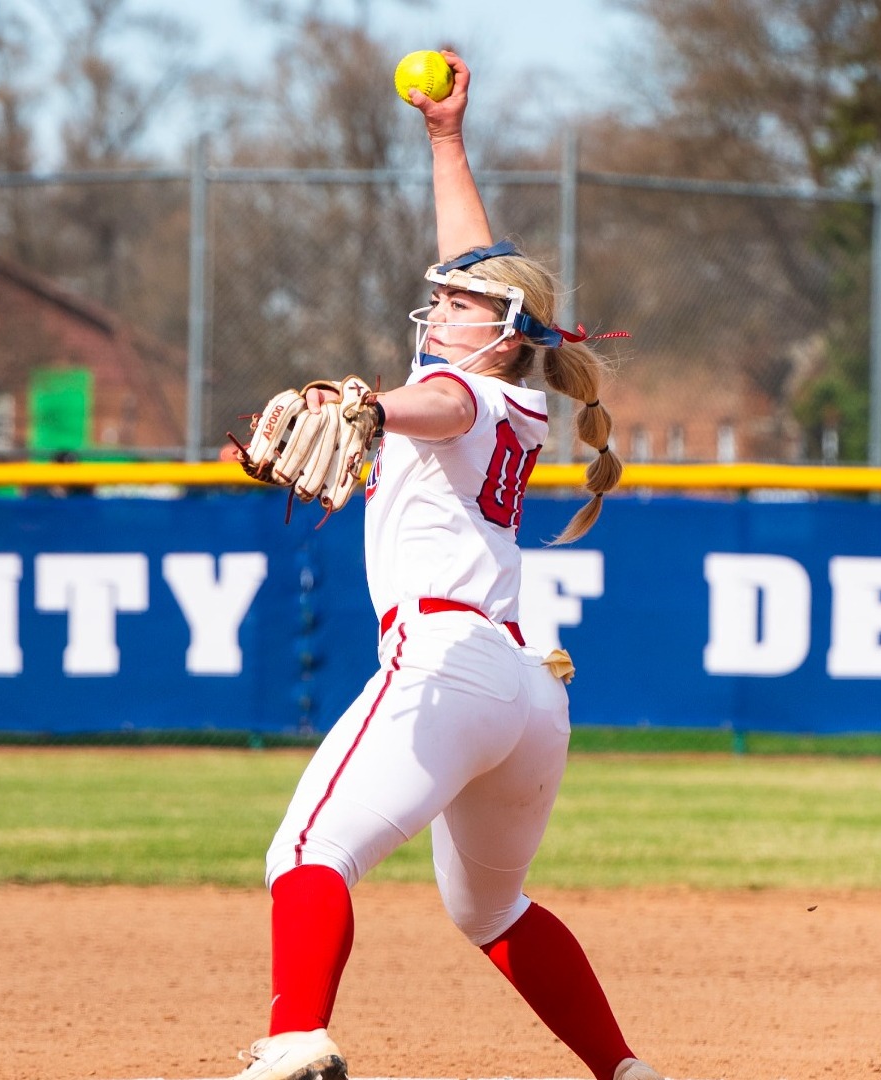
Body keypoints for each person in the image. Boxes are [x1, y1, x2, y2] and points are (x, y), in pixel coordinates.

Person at [228, 49, 660, 1080]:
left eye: (458, 304)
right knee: (491, 908)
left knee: (303, 852)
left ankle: (297, 1041)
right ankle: (627, 1071)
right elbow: (476, 269)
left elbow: (440, 403)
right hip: (522, 693)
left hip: (446, 663)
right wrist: (445, 138)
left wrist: (371, 409)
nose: (440, 305)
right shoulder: (518, 388)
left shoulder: (474, 392)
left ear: (502, 333)